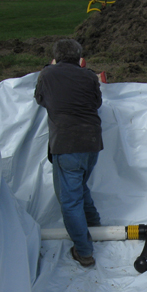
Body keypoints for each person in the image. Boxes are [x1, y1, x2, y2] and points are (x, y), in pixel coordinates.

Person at [35, 39, 103, 267]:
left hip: (67, 145)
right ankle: (96, 227)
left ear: (56, 56)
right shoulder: (90, 76)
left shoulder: (47, 75)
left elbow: (40, 99)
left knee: (70, 201)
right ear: (79, 57)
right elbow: (97, 103)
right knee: (80, 186)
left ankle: (84, 252)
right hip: (92, 143)